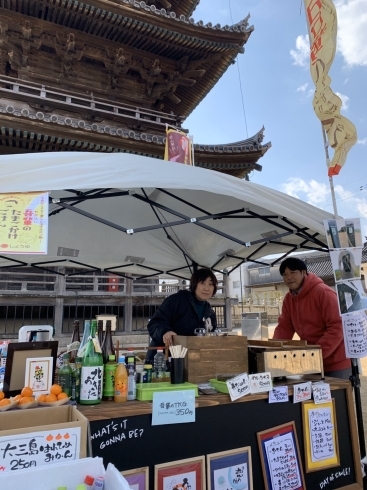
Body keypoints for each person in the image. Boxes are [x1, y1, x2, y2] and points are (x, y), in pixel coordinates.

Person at [273, 257, 351, 379]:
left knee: (338, 397)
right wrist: (274, 351)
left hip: (336, 362)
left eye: (293, 272)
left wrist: (317, 352)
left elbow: (337, 326)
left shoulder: (323, 293)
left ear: (304, 272)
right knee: (312, 397)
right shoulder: (289, 299)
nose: (288, 277)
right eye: (285, 274)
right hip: (311, 361)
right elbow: (284, 328)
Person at [146, 268, 218, 361]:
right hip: (162, 361)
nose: (206, 288)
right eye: (202, 283)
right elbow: (154, 323)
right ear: (194, 284)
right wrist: (165, 332)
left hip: (190, 362)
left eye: (210, 284)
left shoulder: (210, 313)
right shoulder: (177, 301)